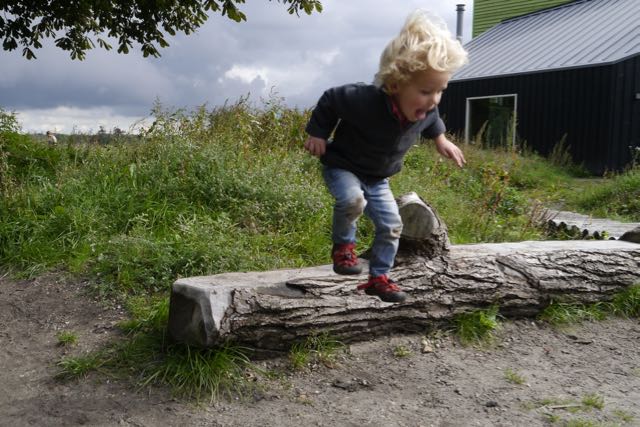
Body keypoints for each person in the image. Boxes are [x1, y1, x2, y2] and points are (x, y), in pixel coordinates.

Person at [303, 10, 468, 303]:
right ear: (395, 84)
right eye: (426, 91)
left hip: (378, 178)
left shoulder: (425, 110)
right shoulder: (364, 99)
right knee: (353, 200)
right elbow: (331, 99)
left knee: (392, 225)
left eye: (440, 90)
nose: (434, 100)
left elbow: (433, 119)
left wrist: (441, 139)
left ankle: (378, 278)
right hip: (343, 167)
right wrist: (317, 133)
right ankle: (343, 248)